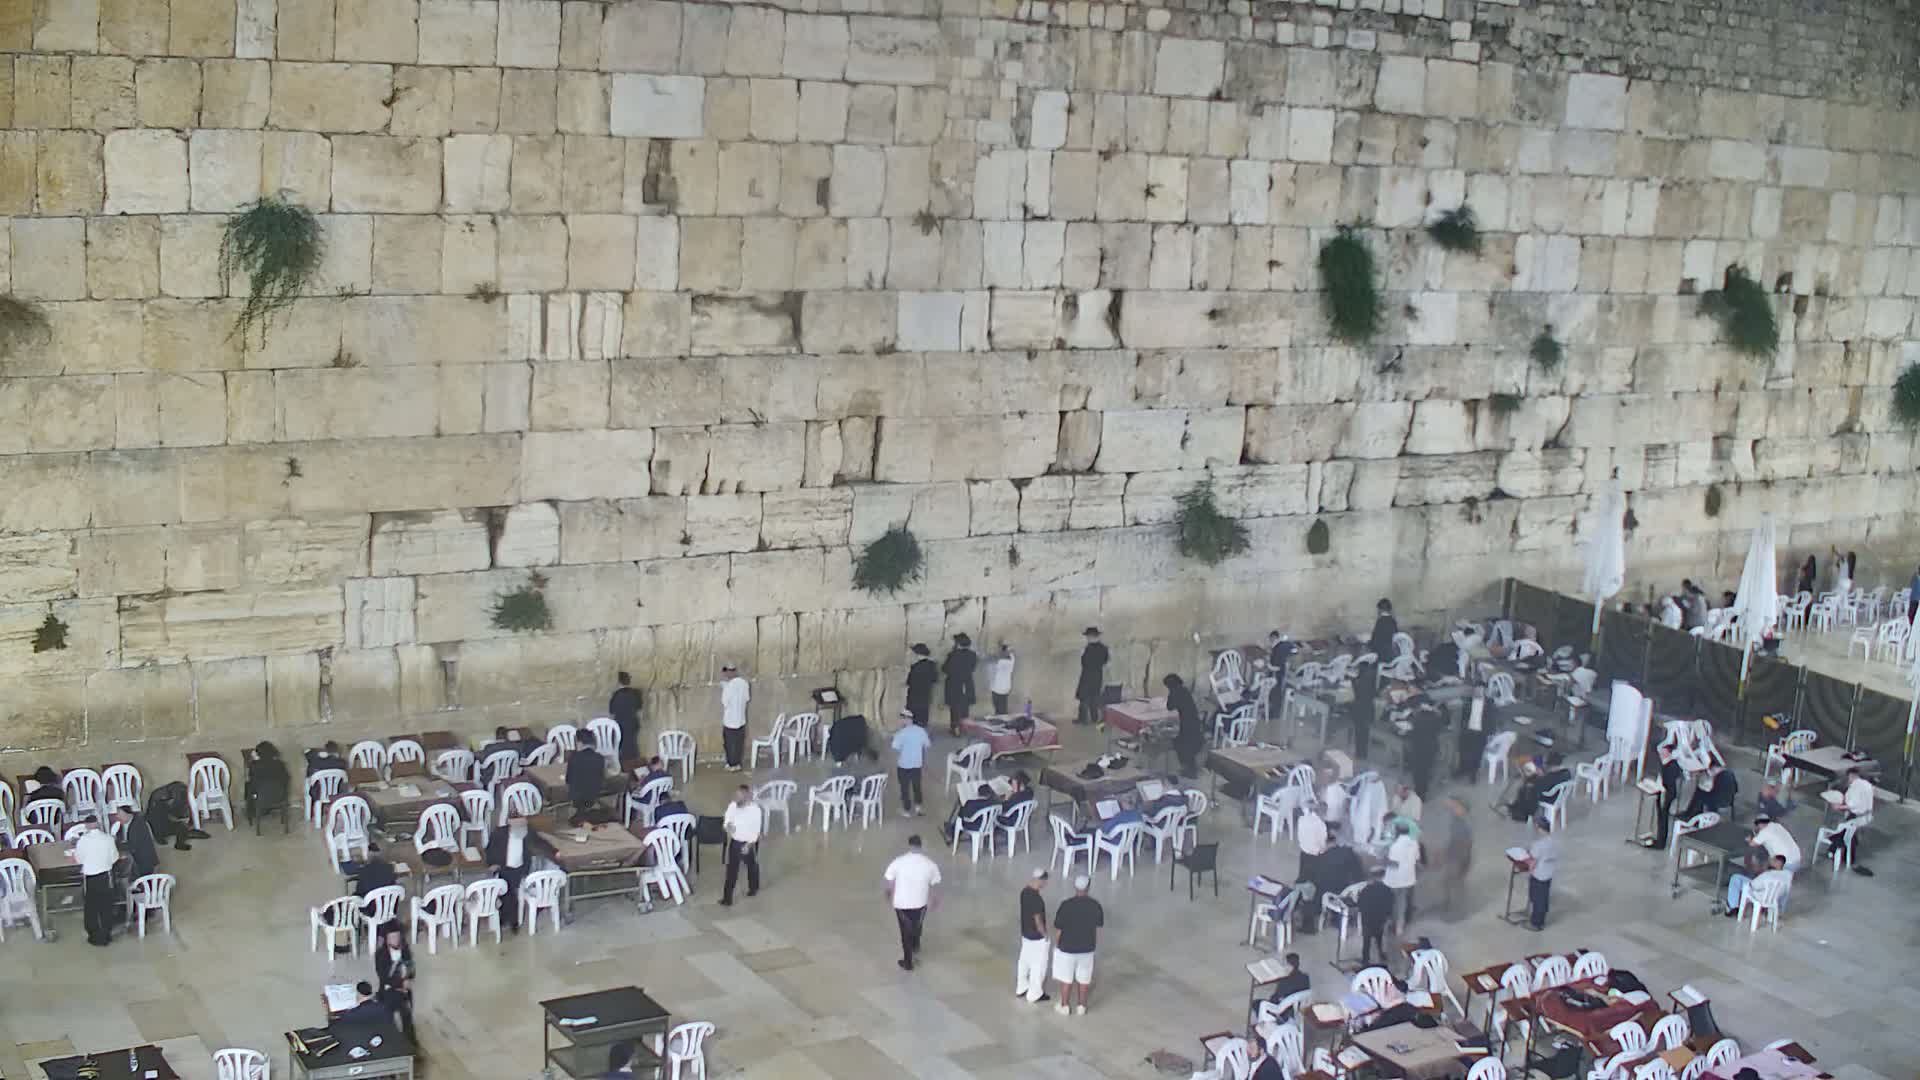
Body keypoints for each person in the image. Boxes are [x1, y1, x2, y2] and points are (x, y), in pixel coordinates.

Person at [884, 835, 941, 970]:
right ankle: (915, 945)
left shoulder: (898, 862)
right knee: (917, 924)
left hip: (901, 904)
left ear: (909, 846)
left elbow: (890, 880)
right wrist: (934, 899)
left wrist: (889, 893)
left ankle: (908, 962)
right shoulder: (930, 864)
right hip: (920, 902)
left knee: (905, 931)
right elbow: (935, 883)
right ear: (921, 846)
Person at [1052, 875, 1103, 1016]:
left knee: (1066, 978)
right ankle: (1082, 1006)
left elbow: (1059, 929)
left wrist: (1057, 945)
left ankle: (1064, 1006)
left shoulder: (1066, 905)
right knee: (1084, 979)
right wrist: (1093, 945)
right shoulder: (1095, 906)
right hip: (1087, 949)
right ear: (1088, 887)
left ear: (1075, 887)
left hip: (1067, 949)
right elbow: (1097, 929)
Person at [75, 816, 119, 947]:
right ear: (98, 824)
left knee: (91, 906)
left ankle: (93, 933)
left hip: (90, 878)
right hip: (105, 876)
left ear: (87, 826)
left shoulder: (83, 840)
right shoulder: (108, 839)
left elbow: (79, 859)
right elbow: (114, 858)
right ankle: (106, 932)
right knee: (106, 904)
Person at [485, 815, 532, 932]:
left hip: (519, 869)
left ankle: (511, 920)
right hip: (503, 867)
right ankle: (509, 919)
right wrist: (492, 864)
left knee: (511, 892)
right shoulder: (499, 834)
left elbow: (537, 847)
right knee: (506, 891)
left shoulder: (527, 834)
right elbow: (489, 850)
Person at [373, 921, 418, 1043]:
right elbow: (383, 976)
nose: (395, 939)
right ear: (387, 939)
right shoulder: (380, 955)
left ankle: (410, 1043)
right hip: (388, 991)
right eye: (392, 937)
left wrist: (408, 978)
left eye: (397, 936)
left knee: (407, 1017)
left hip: (404, 991)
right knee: (388, 1020)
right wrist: (400, 984)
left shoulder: (405, 951)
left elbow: (411, 968)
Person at [720, 784, 763, 906]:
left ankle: (753, 888)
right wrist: (728, 826)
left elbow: (756, 831)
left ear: (747, 796)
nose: (736, 798)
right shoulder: (733, 805)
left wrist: (748, 845)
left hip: (747, 842)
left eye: (739, 796)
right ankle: (727, 898)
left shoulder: (755, 810)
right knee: (731, 871)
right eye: (736, 795)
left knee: (751, 865)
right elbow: (727, 820)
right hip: (735, 842)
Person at [1015, 868, 1051, 1004]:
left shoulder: (1024, 892)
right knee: (1038, 965)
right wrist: (1045, 935)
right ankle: (1035, 993)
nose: (1045, 884)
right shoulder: (1037, 899)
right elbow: (1038, 920)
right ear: (1041, 880)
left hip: (1026, 933)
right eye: (1045, 881)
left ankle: (1021, 986)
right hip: (1036, 937)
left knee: (1024, 961)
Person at [1830, 766, 1874, 876]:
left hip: (1856, 817)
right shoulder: (1867, 784)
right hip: (1866, 816)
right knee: (1848, 833)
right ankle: (1843, 854)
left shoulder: (1855, 787)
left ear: (1851, 776)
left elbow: (1853, 804)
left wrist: (1838, 807)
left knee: (1844, 831)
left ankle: (1835, 850)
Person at [1434, 796, 1473, 917]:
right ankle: (1450, 903)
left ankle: (1459, 908)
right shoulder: (1456, 819)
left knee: (1454, 882)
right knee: (1448, 881)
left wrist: (1461, 859)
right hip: (1454, 854)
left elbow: (1467, 843)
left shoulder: (1465, 824)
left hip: (1459, 857)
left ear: (1463, 809)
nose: (1454, 809)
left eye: (1457, 807)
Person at [1725, 854, 1792, 919]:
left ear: (1778, 863)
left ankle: (1732, 907)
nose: (1770, 861)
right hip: (1774, 897)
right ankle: (1733, 904)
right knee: (1739, 879)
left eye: (1772, 860)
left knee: (1735, 878)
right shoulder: (1788, 874)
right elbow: (1786, 892)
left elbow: (1754, 885)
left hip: (1761, 895)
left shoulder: (1767, 875)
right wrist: (1781, 908)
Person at [143, 781, 205, 851]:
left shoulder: (171, 794)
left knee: (182, 826)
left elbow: (178, 814)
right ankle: (178, 838)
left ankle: (180, 843)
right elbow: (178, 814)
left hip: (165, 822)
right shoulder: (160, 798)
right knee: (179, 825)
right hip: (155, 826)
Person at [1521, 816, 1558, 931]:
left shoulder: (1539, 844)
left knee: (1537, 899)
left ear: (1539, 828)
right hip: (1549, 874)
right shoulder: (1554, 841)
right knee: (1543, 897)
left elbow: (1532, 861)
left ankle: (1536, 923)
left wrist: (1528, 867)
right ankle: (1540, 919)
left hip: (1538, 875)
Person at [891, 712, 931, 815]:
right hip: (917, 764)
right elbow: (927, 745)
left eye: (901, 719)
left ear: (905, 719)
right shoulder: (921, 731)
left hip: (903, 765)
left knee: (904, 787)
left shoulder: (900, 733)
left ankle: (907, 810)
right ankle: (918, 807)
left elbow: (895, 747)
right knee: (917, 786)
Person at [244, 741, 292, 826]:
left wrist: (254, 759)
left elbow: (253, 782)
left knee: (248, 786)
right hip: (279, 796)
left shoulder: (254, 765)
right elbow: (286, 780)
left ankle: (251, 813)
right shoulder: (280, 764)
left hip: (262, 796)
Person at [1165, 673, 1204, 777]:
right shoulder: (1184, 690)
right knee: (1185, 746)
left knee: (1183, 746)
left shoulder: (1175, 692)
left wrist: (1170, 693)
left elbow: (1169, 707)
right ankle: (1189, 768)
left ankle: (1189, 770)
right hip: (1193, 722)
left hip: (1188, 724)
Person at [1646, 744, 1685, 849]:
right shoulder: (1668, 763)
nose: (1661, 754)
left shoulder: (1671, 765)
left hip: (1666, 794)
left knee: (1663, 817)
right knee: (1661, 817)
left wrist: (1659, 787)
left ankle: (1661, 842)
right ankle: (1659, 838)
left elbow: (1668, 782)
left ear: (1669, 753)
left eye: (1663, 752)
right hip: (1664, 792)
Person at [1355, 866, 1394, 966]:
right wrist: (1388, 917)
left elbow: (1359, 904)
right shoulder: (1387, 890)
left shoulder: (1365, 890)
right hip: (1380, 920)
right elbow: (1390, 906)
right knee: (1379, 937)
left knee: (1366, 940)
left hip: (1367, 920)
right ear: (1383, 876)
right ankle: (1381, 954)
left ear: (1372, 877)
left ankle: (1365, 959)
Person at [1383, 822, 1418, 930]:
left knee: (1393, 902)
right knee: (1402, 902)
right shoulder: (1414, 843)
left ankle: (1392, 924)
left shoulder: (1395, 845)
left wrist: (1384, 859)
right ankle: (1400, 927)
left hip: (1396, 879)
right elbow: (1416, 858)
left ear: (1397, 832)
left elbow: (1394, 864)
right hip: (1408, 878)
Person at [942, 633, 978, 736]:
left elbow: (945, 669)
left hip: (954, 684)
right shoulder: (973, 655)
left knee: (954, 708)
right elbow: (972, 668)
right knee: (965, 707)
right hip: (967, 683)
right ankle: (964, 728)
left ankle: (955, 729)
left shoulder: (953, 655)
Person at [1406, 704, 1444, 798]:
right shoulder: (1436, 719)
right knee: (1426, 771)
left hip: (1418, 748)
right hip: (1430, 748)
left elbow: (1412, 732)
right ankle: (1423, 792)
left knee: (1417, 771)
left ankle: (1418, 791)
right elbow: (1439, 729)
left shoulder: (1417, 718)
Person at [114, 804, 160, 880]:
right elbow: (120, 838)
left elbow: (133, 847)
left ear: (127, 813)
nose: (117, 816)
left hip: (143, 863)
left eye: (119, 813)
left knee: (122, 874)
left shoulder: (138, 825)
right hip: (135, 859)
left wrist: (115, 847)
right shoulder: (124, 823)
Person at [608, 671, 643, 767]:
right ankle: (634, 766)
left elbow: (611, 711)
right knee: (633, 744)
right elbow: (639, 708)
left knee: (622, 746)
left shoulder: (616, 695)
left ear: (619, 682)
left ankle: (625, 766)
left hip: (620, 724)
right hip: (633, 723)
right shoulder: (636, 693)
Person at [565, 741, 606, 822]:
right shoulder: (600, 758)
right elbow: (602, 778)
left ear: (580, 743)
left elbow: (568, 780)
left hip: (576, 797)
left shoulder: (573, 758)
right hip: (593, 795)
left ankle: (579, 814)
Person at [1454, 686, 1490, 780]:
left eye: (1480, 690)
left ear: (1484, 691)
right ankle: (1462, 769)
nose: (1478, 692)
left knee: (1477, 754)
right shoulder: (1468, 702)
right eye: (1476, 690)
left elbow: (1492, 718)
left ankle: (1473, 773)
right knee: (1463, 751)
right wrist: (1463, 727)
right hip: (1468, 730)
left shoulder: (1489, 703)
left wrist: (1488, 731)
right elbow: (1463, 716)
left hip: (1480, 732)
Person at [1074, 627, 1108, 726]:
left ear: (1091, 636)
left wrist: (1082, 655)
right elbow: (1105, 661)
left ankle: (1083, 719)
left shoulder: (1088, 648)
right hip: (1097, 676)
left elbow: (1084, 663)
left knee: (1084, 698)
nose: (1087, 638)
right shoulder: (1104, 648)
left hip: (1087, 676)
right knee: (1094, 698)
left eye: (1088, 636)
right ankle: (1094, 718)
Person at [720, 664, 750, 771]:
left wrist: (724, 688)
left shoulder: (728, 686)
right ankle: (737, 763)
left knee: (729, 743)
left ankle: (731, 764)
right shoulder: (745, 683)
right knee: (739, 743)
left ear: (728, 672)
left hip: (730, 720)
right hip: (741, 719)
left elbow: (724, 703)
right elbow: (747, 698)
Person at [1349, 657, 1377, 760]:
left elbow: (1357, 693)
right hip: (1369, 708)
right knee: (1365, 733)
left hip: (1360, 709)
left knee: (1359, 732)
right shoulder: (1371, 675)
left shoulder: (1362, 679)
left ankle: (1359, 753)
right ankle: (1363, 753)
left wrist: (1353, 681)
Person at [905, 644, 938, 728]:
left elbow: (909, 681)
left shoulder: (915, 666)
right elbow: (934, 679)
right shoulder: (932, 665)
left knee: (914, 716)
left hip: (914, 695)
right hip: (926, 693)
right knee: (923, 716)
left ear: (918, 654)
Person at [989, 643, 1017, 715]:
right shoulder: (1012, 660)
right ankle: (1001, 717)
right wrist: (1007, 649)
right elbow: (1010, 653)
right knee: (1002, 708)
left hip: (997, 688)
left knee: (999, 709)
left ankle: (1000, 718)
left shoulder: (1000, 661)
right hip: (1006, 687)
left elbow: (995, 657)